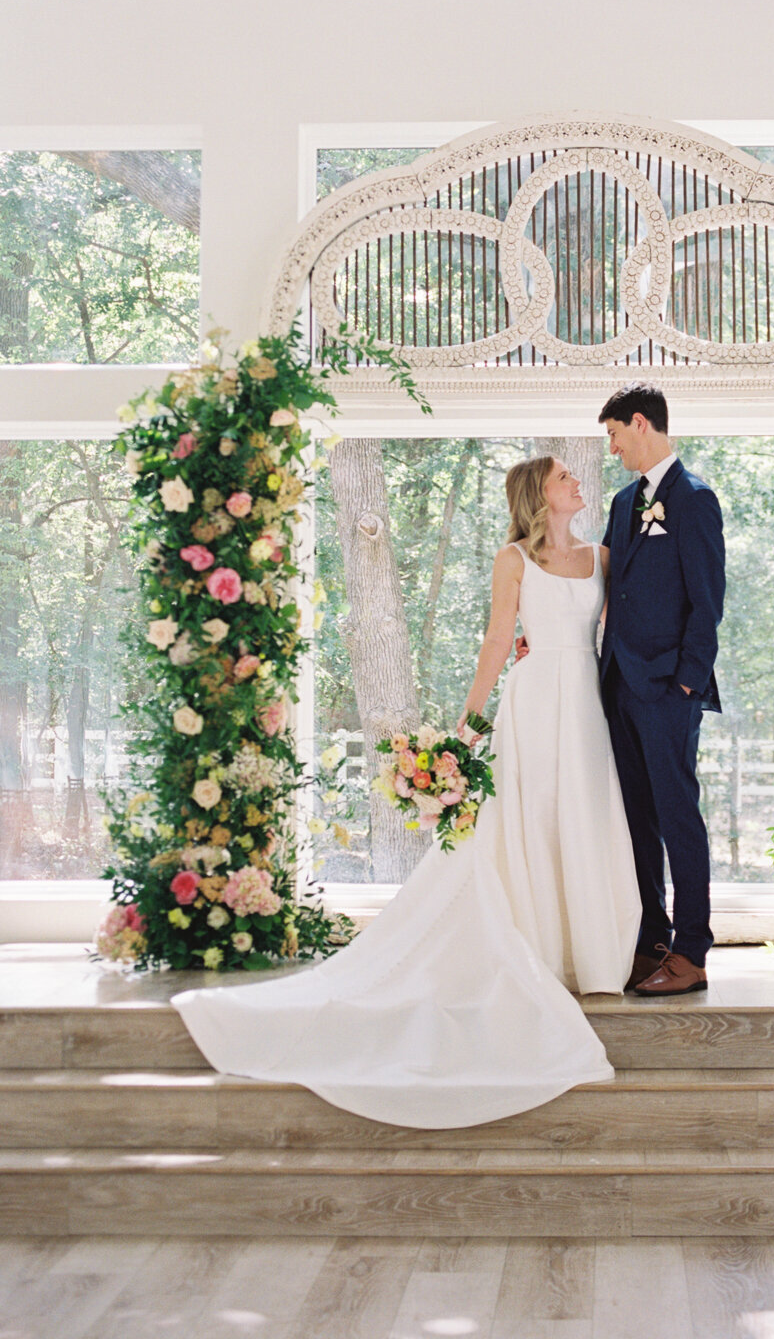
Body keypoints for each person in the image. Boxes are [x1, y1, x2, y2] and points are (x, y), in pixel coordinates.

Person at [172, 455, 640, 1129]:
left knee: (585, 816)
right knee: (529, 817)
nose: (577, 483)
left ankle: (590, 955)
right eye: (564, 476)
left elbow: (618, 632)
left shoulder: (602, 555)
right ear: (540, 493)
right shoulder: (512, 559)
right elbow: (497, 640)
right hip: (532, 703)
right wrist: (468, 728)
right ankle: (537, 950)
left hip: (588, 703)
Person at [598, 384, 726, 997]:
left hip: (670, 689)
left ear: (641, 423)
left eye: (615, 434)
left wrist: (685, 683)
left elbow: (708, 604)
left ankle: (692, 952)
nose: (614, 447)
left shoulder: (695, 500)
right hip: (618, 684)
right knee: (635, 820)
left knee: (679, 818)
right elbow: (603, 587)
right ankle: (652, 940)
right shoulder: (623, 503)